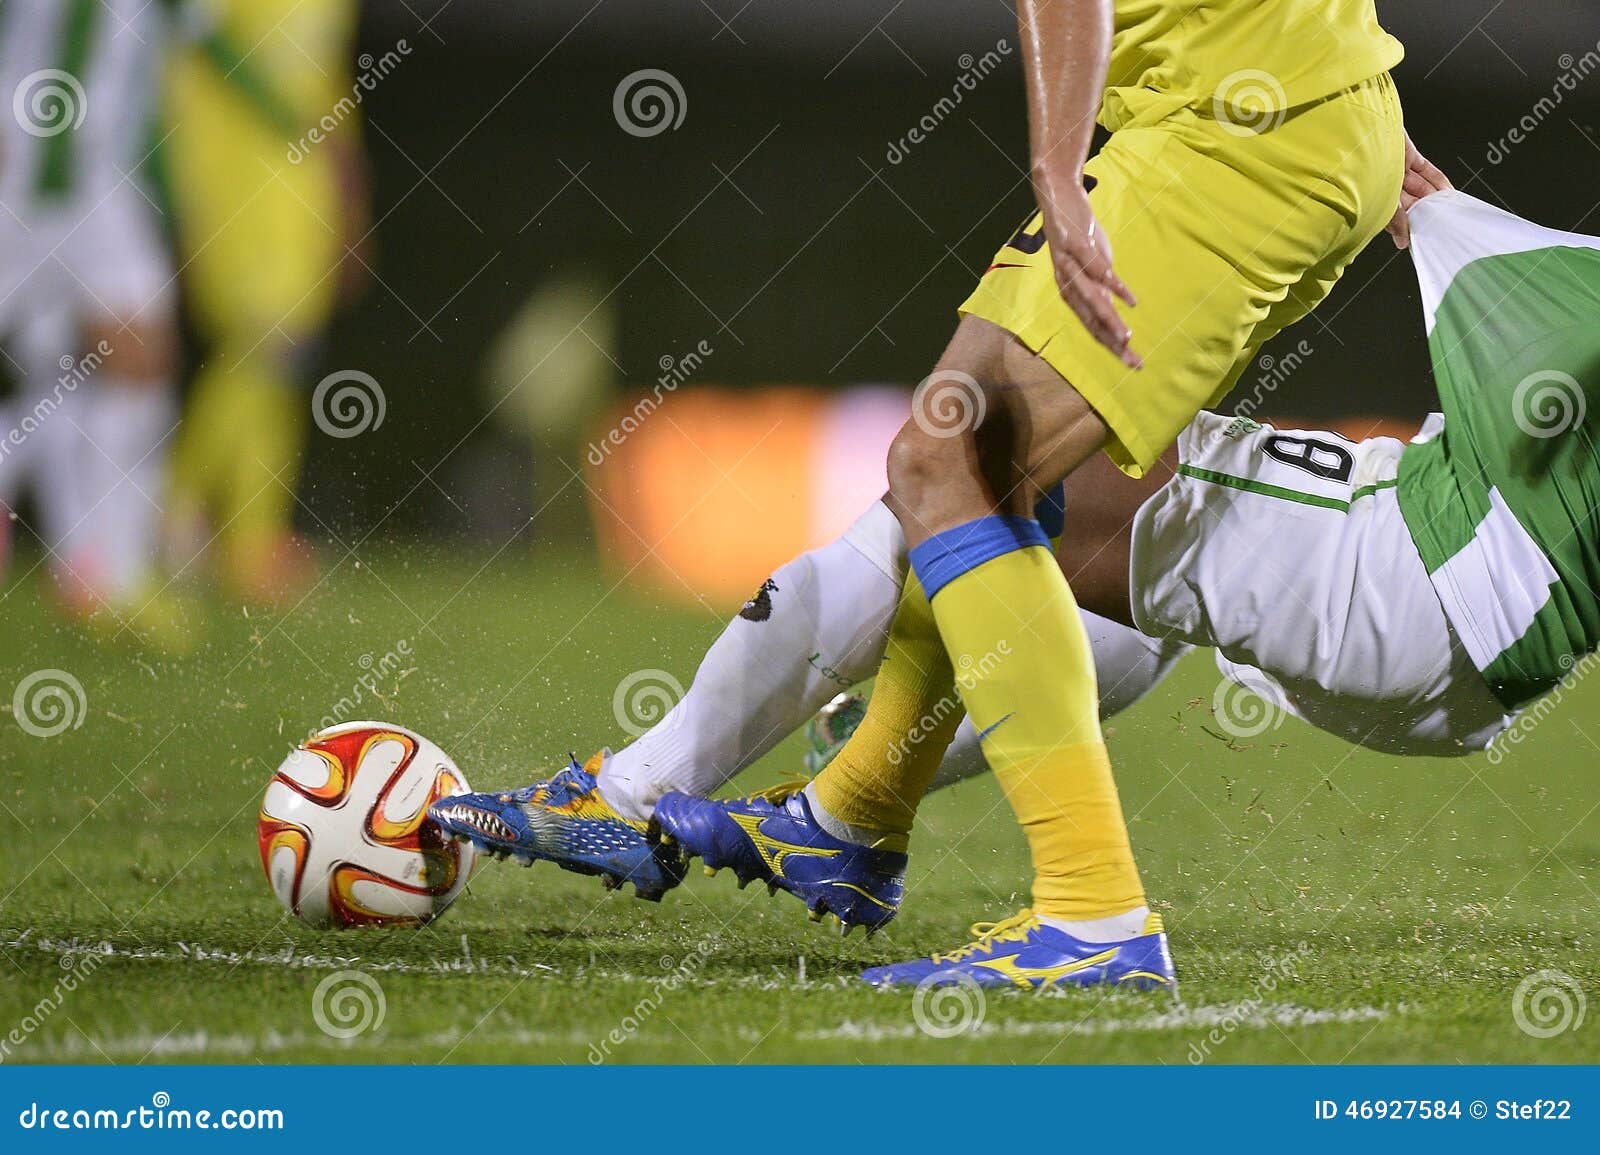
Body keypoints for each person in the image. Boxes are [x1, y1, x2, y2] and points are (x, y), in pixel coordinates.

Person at [434, 0, 1432, 991]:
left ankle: (1089, 915)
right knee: (951, 464)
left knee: (956, 472)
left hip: (1234, 139)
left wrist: (1057, 164)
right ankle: (826, 818)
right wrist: (1353, 110)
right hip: (1243, 118)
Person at [160, 0, 368, 603]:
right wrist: (177, 188)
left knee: (287, 357)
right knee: (264, 343)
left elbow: (330, 85)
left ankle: (250, 543)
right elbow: (195, 48)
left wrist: (350, 190)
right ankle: (175, 511)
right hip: (235, 173)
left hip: (305, 186)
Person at [0, 0, 183, 641]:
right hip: (16, 167)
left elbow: (196, 42)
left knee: (136, 354)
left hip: (100, 180)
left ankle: (106, 575)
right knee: (51, 371)